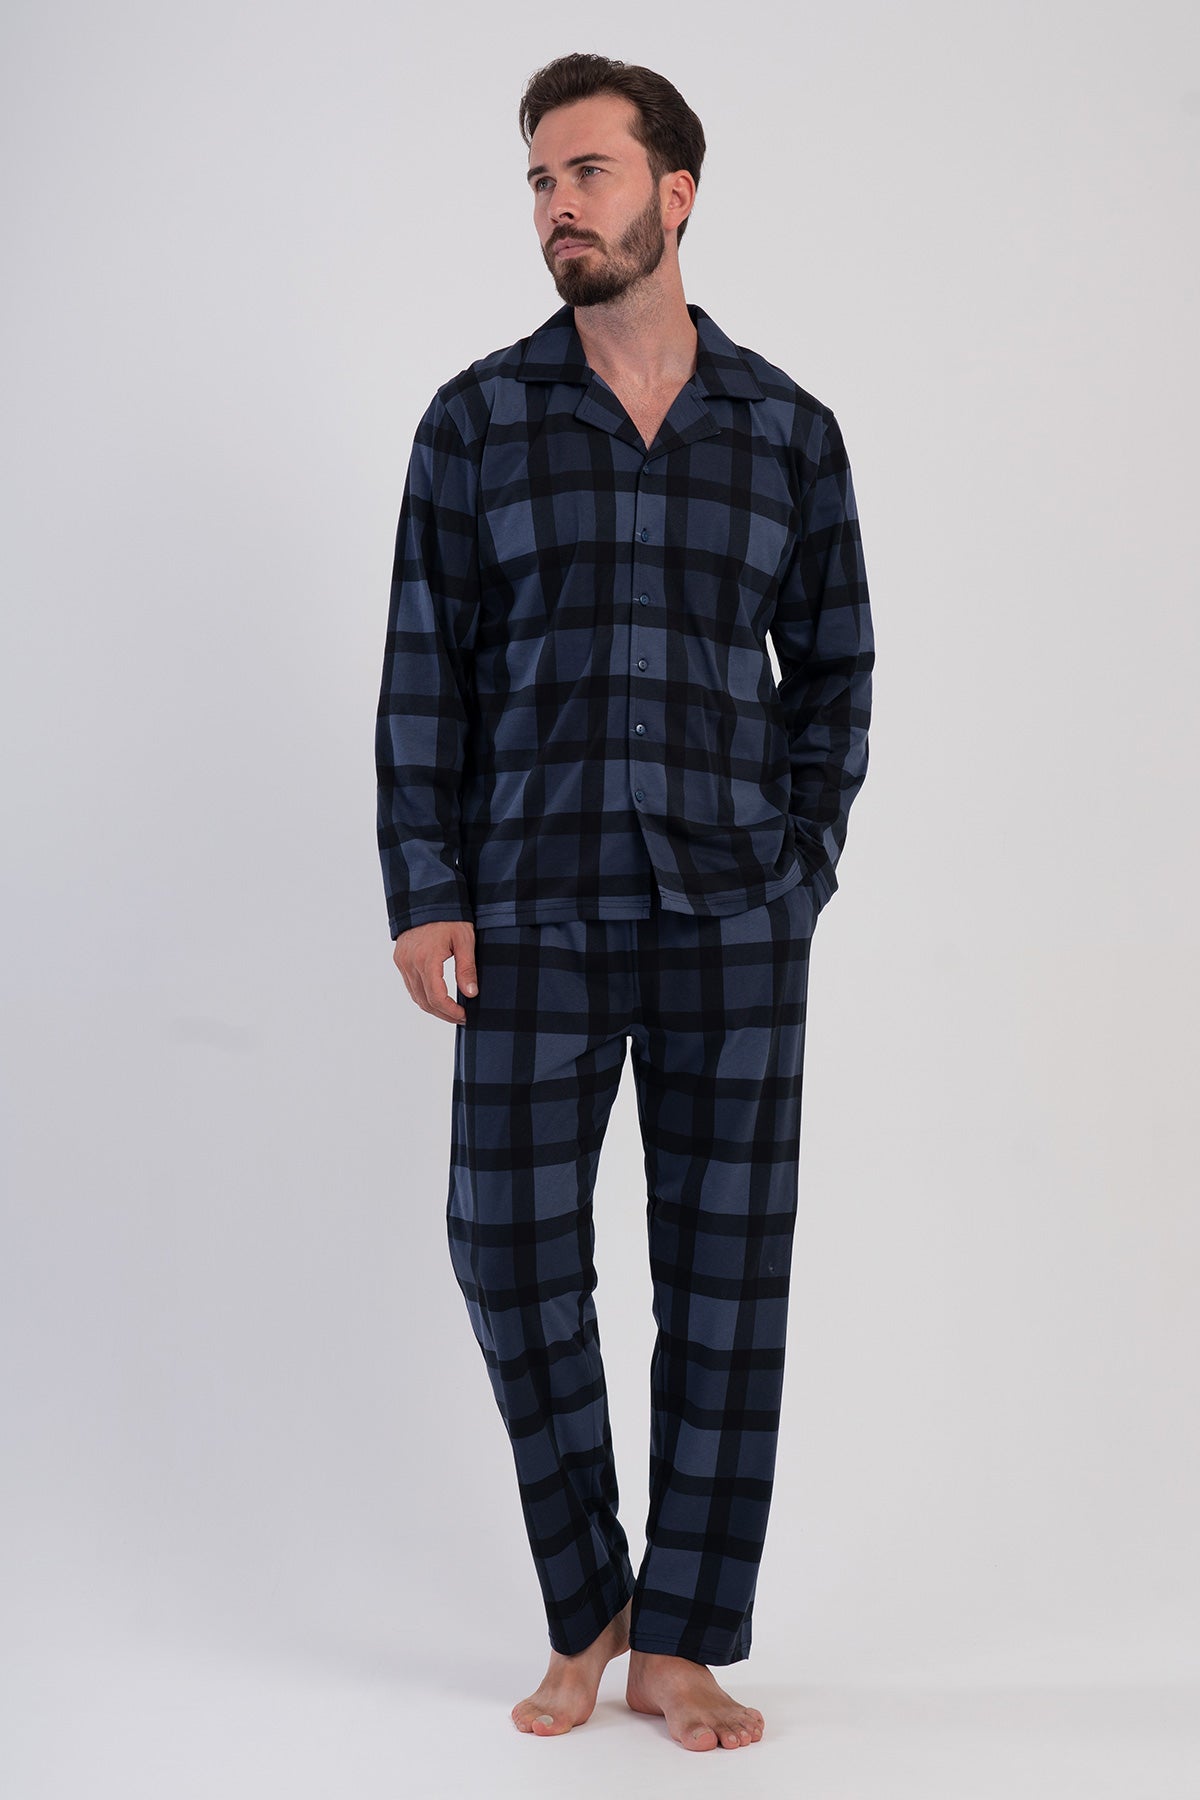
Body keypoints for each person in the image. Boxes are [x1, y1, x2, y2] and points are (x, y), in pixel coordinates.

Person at [375, 51, 874, 1753]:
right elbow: (425, 675)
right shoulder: (476, 423)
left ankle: (683, 1645)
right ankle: (589, 1597)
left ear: (676, 191)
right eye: (538, 181)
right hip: (531, 906)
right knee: (508, 1251)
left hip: (734, 913)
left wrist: (798, 871)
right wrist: (426, 891)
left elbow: (837, 674)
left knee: (727, 1283)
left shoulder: (786, 431)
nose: (555, 209)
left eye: (585, 173)